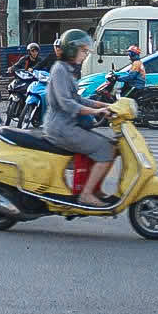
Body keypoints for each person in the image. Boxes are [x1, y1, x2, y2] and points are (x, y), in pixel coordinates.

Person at [42, 29, 119, 208]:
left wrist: (104, 106)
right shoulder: (60, 69)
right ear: (71, 49)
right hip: (61, 128)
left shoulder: (67, 69)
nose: (85, 55)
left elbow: (77, 98)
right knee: (106, 149)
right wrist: (96, 112)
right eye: (83, 51)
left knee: (111, 147)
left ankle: (94, 188)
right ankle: (86, 195)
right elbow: (67, 103)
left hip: (68, 125)